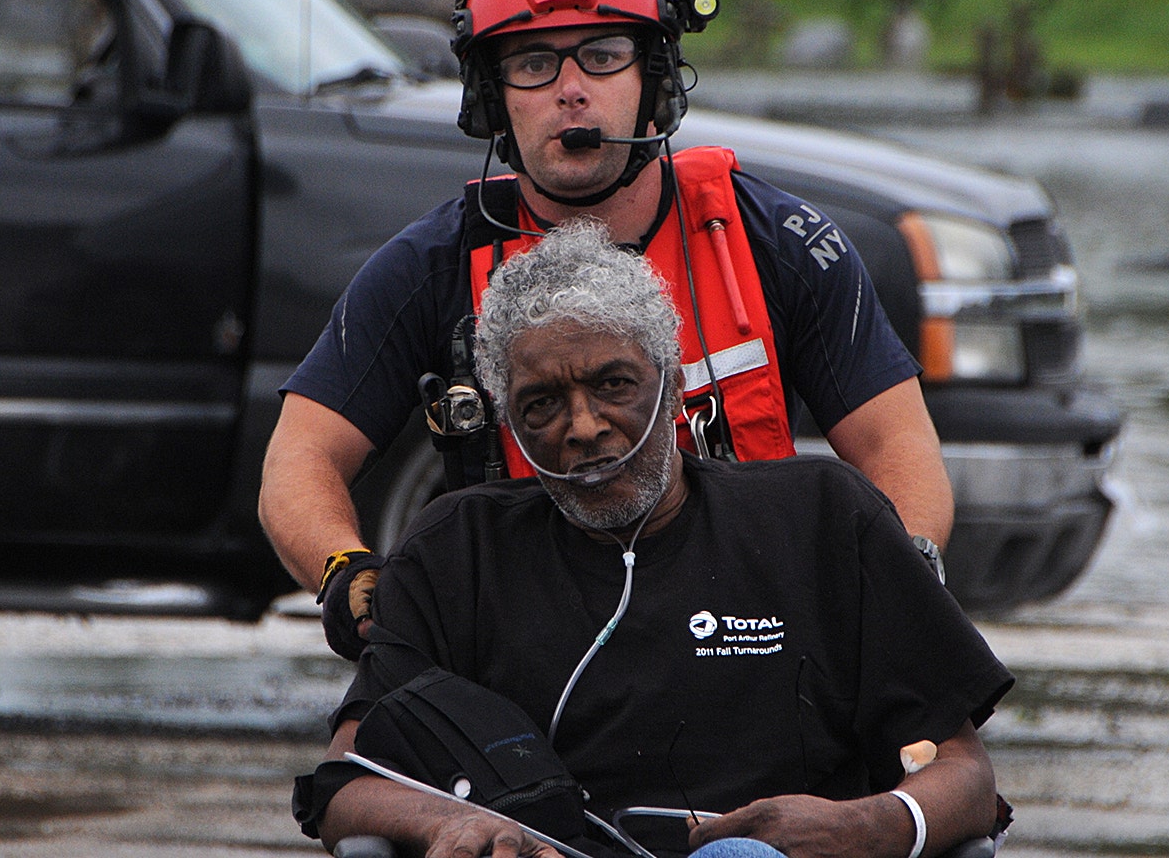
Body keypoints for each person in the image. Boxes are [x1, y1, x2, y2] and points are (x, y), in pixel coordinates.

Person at [261, 0, 954, 660]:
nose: (570, 92)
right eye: (533, 64)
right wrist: (344, 570)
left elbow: (898, 445)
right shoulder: (428, 266)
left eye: (602, 57)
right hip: (535, 645)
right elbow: (299, 458)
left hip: (753, 635)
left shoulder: (776, 242)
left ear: (653, 80)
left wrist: (900, 577)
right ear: (491, 98)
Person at [293, 221, 1012, 858]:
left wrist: (867, 827)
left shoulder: (823, 519)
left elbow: (967, 778)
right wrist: (449, 822)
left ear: (673, 389)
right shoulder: (459, 549)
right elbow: (346, 783)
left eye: (614, 385)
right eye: (541, 404)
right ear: (508, 423)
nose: (582, 427)